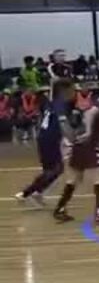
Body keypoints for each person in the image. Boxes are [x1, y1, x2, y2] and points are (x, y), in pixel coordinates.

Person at [52, 80, 99, 225]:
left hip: (81, 144)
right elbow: (90, 113)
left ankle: (60, 208)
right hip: (89, 143)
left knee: (74, 178)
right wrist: (89, 132)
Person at [14, 79, 74, 208]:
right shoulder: (60, 103)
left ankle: (36, 192)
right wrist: (73, 139)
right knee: (53, 170)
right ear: (64, 91)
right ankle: (26, 193)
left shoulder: (53, 103)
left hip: (46, 138)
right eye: (71, 89)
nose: (73, 92)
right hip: (49, 139)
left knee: (54, 170)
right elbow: (63, 123)